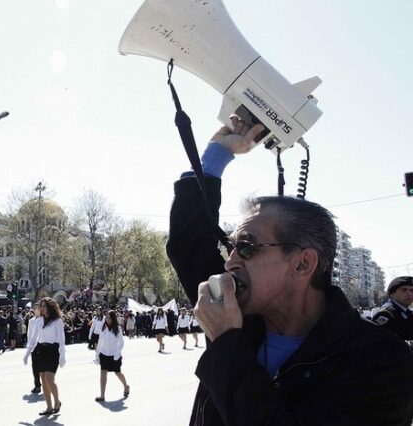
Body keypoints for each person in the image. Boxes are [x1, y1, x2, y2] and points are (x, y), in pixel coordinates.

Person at [165, 117, 413, 425]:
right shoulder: (243, 320)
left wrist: (228, 344)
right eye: (230, 247)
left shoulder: (381, 359)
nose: (229, 263)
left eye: (247, 247)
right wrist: (217, 153)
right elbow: (189, 244)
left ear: (302, 264)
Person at [24, 297, 65, 416]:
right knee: (43, 380)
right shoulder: (38, 321)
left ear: (50, 307)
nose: (41, 308)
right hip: (41, 350)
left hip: (52, 350)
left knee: (49, 379)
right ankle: (48, 407)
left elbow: (61, 339)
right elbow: (33, 338)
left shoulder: (57, 321)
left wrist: (62, 355)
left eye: (44, 306)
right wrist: (27, 353)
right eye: (40, 306)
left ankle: (57, 402)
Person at [94, 310, 130, 402]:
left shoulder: (117, 328)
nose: (107, 319)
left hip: (114, 354)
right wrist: (97, 355)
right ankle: (102, 395)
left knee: (117, 372)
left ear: (113, 319)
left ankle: (126, 386)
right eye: (106, 317)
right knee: (103, 373)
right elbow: (100, 341)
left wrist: (118, 352)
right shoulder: (103, 327)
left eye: (110, 318)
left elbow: (121, 342)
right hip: (104, 353)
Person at [372, 276, 413, 341]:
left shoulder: (406, 312)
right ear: (392, 293)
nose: (409, 294)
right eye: (404, 290)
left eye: (412, 290)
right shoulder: (386, 314)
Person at [25, 303, 43, 394]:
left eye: (38, 308)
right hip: (34, 346)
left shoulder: (44, 320)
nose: (36, 310)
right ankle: (37, 385)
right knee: (35, 367)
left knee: (42, 367)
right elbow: (29, 333)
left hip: (42, 345)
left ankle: (46, 383)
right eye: (35, 308)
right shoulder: (31, 321)